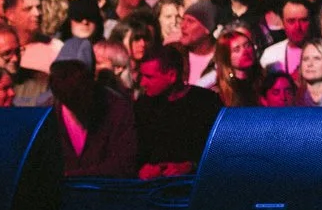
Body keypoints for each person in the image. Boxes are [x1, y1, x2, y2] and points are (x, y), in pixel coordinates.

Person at [50, 42, 139, 178]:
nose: (68, 83)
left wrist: (70, 177)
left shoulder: (117, 109)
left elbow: (124, 165)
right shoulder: (45, 113)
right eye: (61, 75)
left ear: (90, 80)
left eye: (74, 75)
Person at [134, 45, 223, 176]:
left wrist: (191, 166)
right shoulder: (142, 106)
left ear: (172, 76)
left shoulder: (206, 103)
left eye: (149, 77)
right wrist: (142, 168)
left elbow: (220, 150)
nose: (143, 83)